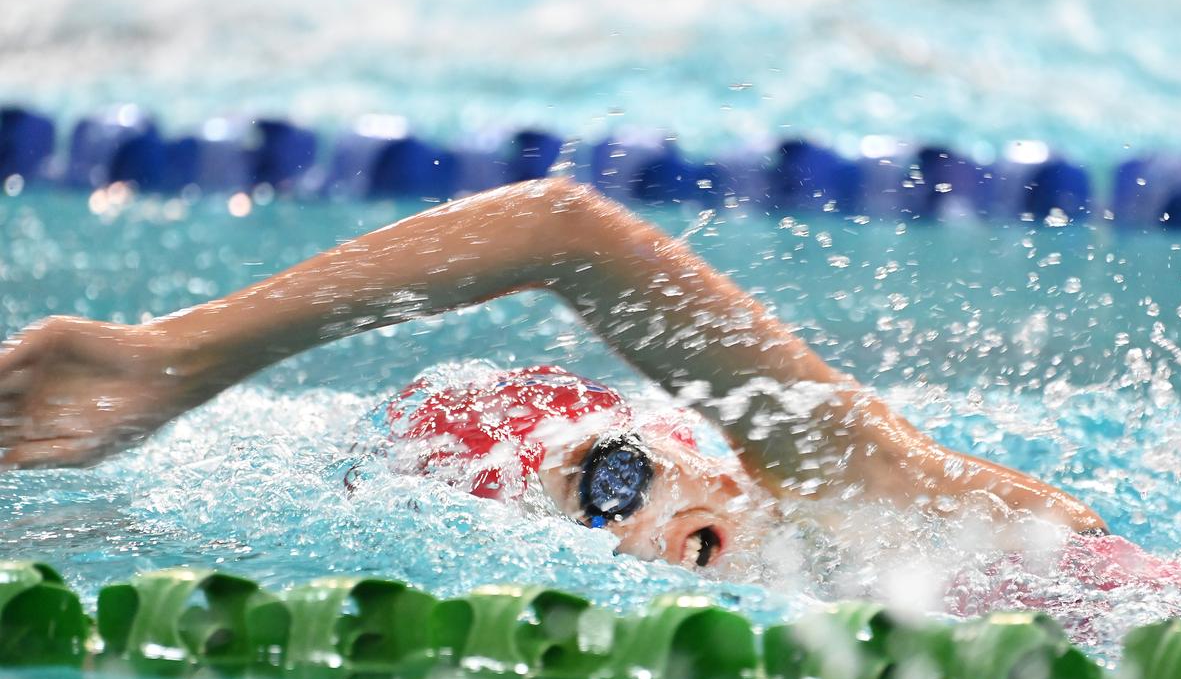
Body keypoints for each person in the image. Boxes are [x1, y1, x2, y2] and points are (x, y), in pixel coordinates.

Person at [0, 178, 1107, 572]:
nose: (622, 541)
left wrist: (180, 359)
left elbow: (558, 231)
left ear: (698, 448)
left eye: (606, 484)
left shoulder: (851, 487)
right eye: (562, 552)